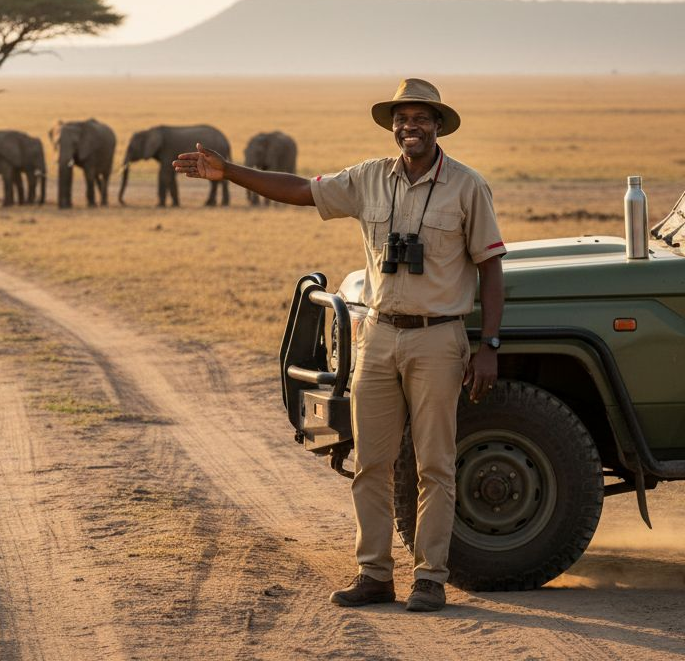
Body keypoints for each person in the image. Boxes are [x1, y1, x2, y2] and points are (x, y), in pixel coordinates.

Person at [173, 79, 505, 612]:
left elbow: (491, 267)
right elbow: (301, 188)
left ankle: (430, 578)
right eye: (401, 118)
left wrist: (488, 344)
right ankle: (374, 574)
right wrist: (229, 172)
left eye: (420, 118)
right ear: (392, 126)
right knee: (371, 461)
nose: (409, 127)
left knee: (435, 464)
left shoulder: (468, 186)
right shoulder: (369, 178)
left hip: (438, 338)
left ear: (438, 125)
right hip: (378, 335)